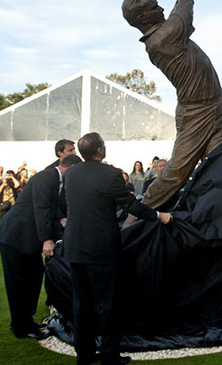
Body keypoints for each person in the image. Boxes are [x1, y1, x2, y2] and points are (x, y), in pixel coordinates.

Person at [122, 0, 222, 211]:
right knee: (174, 175)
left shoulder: (166, 31)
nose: (160, 9)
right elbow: (185, 5)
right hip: (197, 112)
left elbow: (180, 7)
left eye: (158, 4)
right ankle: (133, 222)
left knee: (219, 164)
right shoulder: (164, 38)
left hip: (215, 106)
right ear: (142, 18)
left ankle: (207, 218)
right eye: (153, 7)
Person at [63, 133, 172, 365]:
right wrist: (158, 216)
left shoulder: (71, 173)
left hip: (74, 246)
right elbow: (131, 205)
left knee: (81, 303)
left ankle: (84, 355)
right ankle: (110, 355)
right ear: (100, 150)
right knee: (106, 304)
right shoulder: (111, 174)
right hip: (100, 248)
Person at [0, 154, 82, 341]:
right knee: (19, 283)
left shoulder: (55, 180)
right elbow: (40, 208)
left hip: (26, 238)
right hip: (16, 236)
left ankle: (26, 320)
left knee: (33, 276)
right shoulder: (46, 177)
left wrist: (61, 219)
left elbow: (52, 207)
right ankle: (21, 326)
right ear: (71, 169)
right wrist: (47, 239)